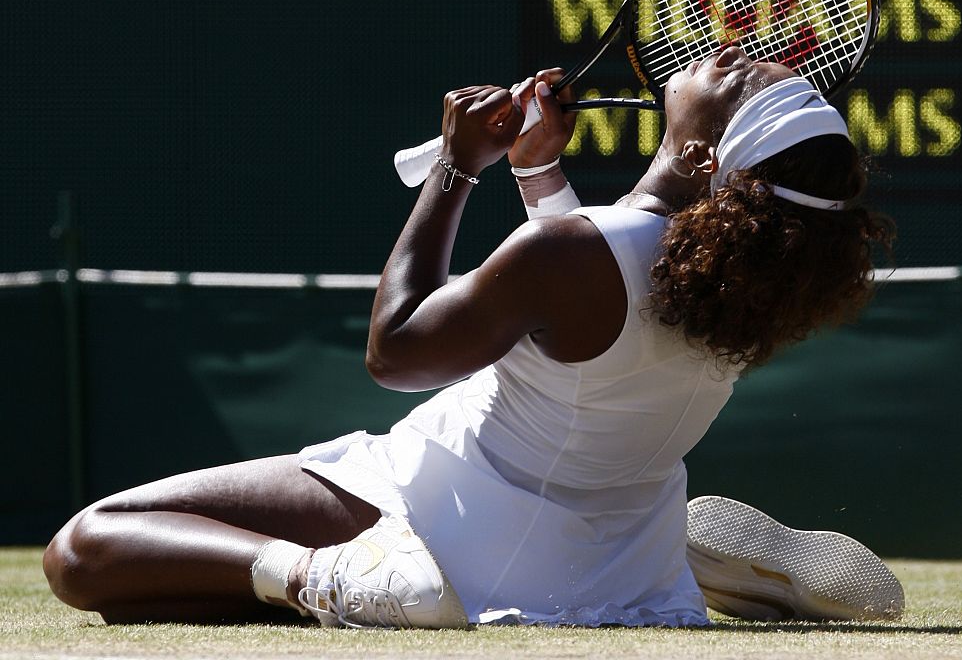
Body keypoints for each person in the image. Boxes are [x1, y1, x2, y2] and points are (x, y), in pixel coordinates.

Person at [43, 47, 902, 629]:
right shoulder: (733, 285)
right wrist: (536, 169)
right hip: (612, 555)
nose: (738, 56)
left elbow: (396, 352)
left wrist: (457, 169)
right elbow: (601, 316)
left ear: (708, 156)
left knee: (86, 549)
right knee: (165, 583)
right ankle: (665, 555)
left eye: (749, 83)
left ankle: (338, 582)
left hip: (452, 509)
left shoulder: (582, 253)